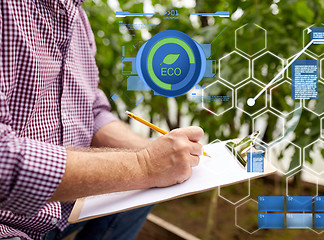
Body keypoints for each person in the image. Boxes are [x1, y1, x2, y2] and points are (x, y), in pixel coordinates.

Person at [0, 1, 204, 240]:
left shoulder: (75, 15)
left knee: (148, 189)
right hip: (9, 224)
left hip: (67, 209)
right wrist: (145, 165)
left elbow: (92, 111)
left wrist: (153, 153)